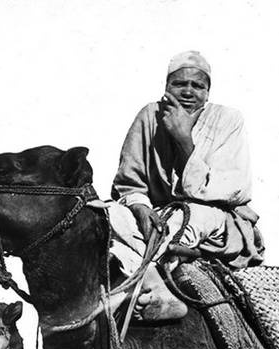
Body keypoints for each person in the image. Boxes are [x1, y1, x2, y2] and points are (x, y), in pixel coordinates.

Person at [109, 50, 264, 320]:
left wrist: (183, 139)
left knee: (186, 217)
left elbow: (230, 190)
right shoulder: (149, 116)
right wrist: (140, 207)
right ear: (166, 87)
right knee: (106, 215)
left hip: (214, 218)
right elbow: (129, 182)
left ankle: (149, 284)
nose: (188, 92)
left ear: (207, 92)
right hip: (157, 216)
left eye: (197, 86)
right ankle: (157, 288)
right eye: (180, 84)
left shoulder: (228, 120)